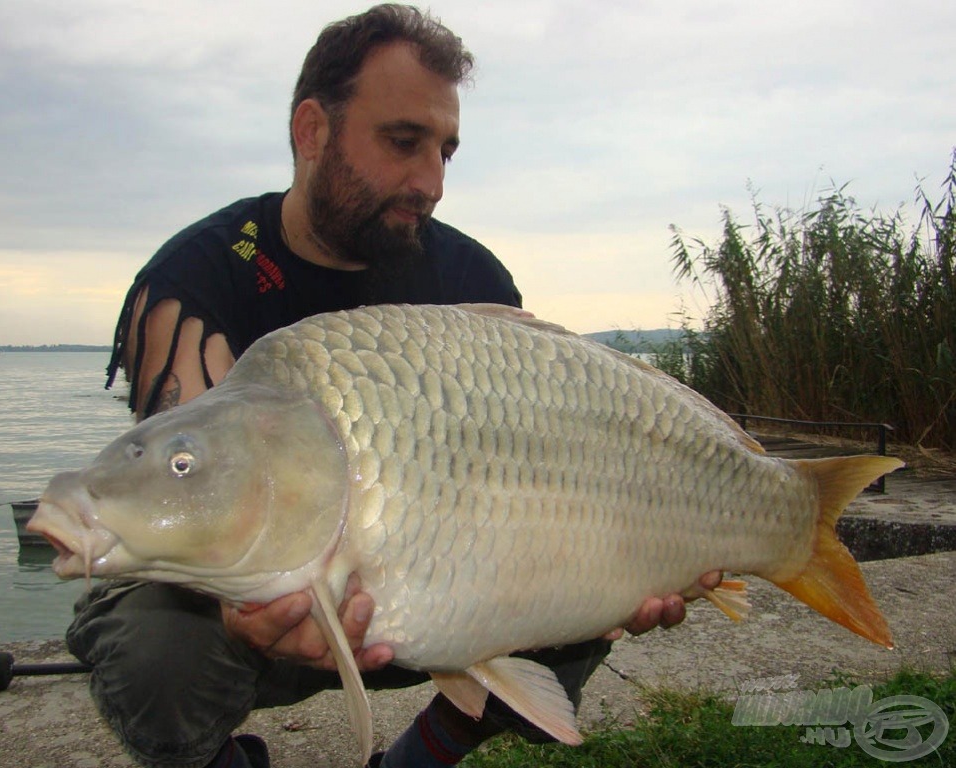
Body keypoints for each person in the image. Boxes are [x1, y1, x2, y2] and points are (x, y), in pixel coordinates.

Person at [69, 5, 720, 768]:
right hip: (254, 606)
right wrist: (246, 608)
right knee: (156, 646)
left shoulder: (472, 281)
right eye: (403, 142)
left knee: (588, 577)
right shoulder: (199, 281)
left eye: (445, 150)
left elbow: (556, 467)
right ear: (311, 131)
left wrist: (641, 557)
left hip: (433, 588)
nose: (431, 181)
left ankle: (418, 758)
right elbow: (186, 501)